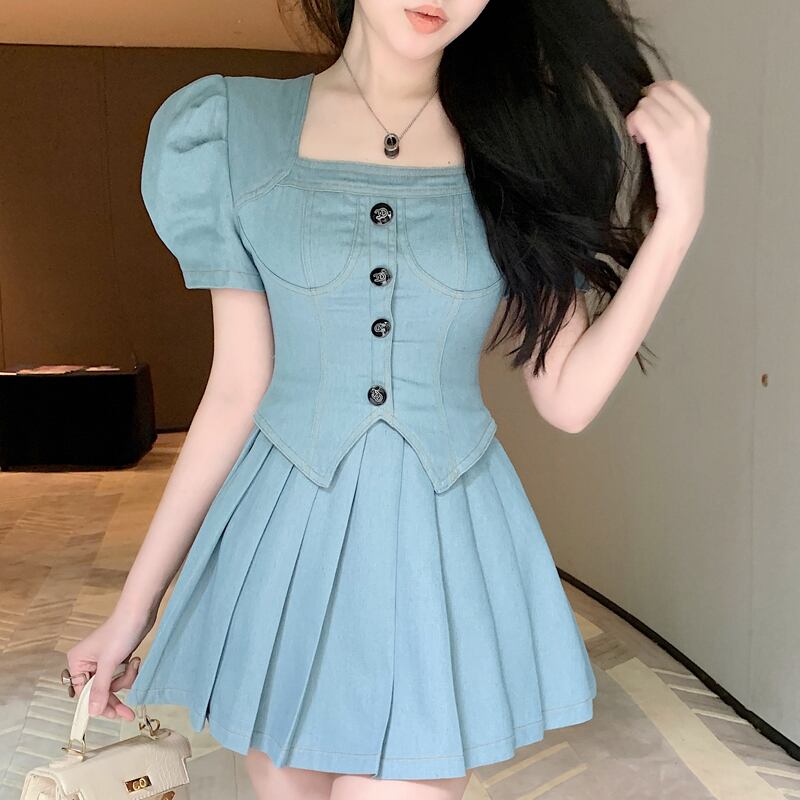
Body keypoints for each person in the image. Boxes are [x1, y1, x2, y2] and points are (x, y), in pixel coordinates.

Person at [64, 1, 710, 798]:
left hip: (437, 550)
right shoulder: (234, 130)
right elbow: (236, 388)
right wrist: (132, 611)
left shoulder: (521, 148)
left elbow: (567, 396)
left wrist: (678, 222)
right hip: (286, 549)